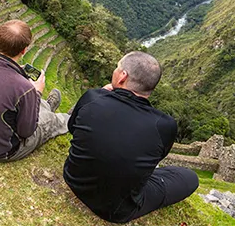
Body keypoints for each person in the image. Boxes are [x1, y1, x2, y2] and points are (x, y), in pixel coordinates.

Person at [63, 52, 198, 223]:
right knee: (189, 177)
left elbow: (72, 128)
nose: (115, 70)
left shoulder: (92, 97)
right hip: (116, 210)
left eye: (117, 68)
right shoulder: (165, 125)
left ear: (122, 77)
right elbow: (157, 157)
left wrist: (100, 95)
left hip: (73, 179)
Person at [0, 19, 69, 161]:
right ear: (24, 50)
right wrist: (37, 92)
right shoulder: (25, 88)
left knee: (25, 102)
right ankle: (70, 118)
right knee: (49, 121)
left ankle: (46, 106)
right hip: (1, 151)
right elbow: (26, 132)